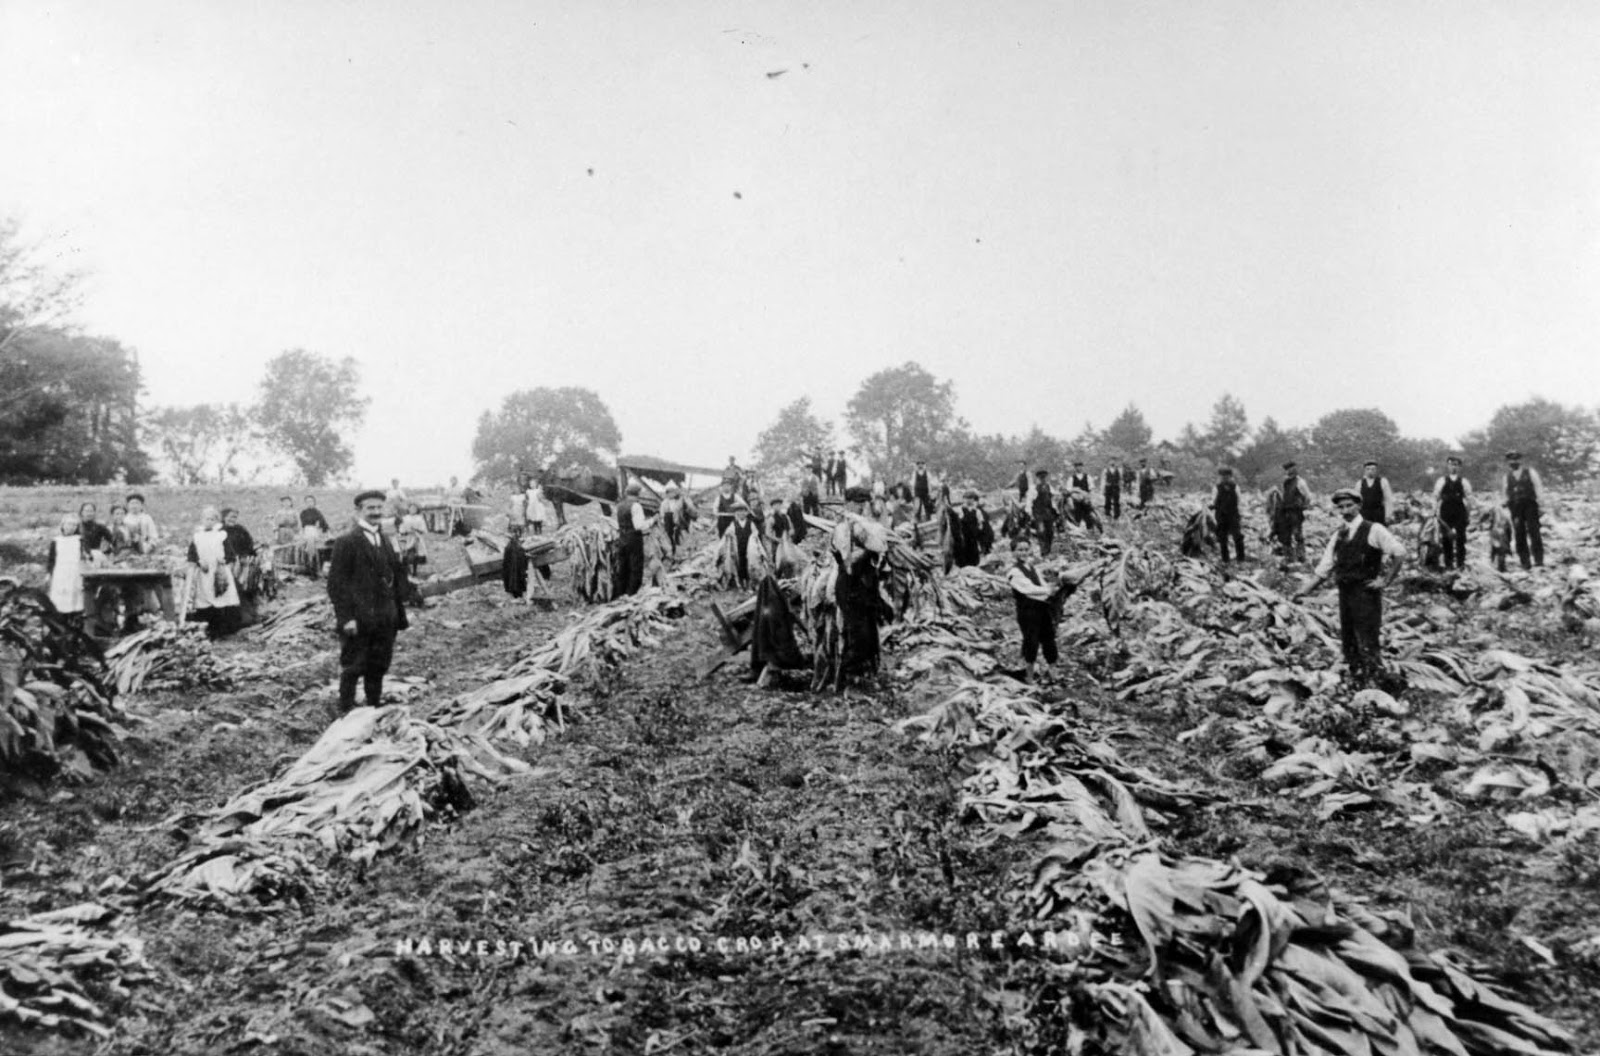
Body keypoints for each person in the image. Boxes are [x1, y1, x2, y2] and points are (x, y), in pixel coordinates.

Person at [1292, 489, 1406, 688]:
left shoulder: (1374, 529)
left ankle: (1375, 681)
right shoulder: (1339, 534)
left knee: (1367, 637)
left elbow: (1399, 553)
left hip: (1366, 593)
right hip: (1345, 593)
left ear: (1359, 506)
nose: (1345, 510)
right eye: (1341, 507)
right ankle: (1357, 679)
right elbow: (1324, 568)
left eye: (1349, 505)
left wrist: (1384, 581)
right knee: (1349, 638)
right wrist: (1304, 591)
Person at [326, 490, 410, 716]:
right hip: (359, 618)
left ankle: (373, 704)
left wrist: (399, 614)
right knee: (354, 665)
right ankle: (345, 708)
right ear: (359, 511)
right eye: (370, 508)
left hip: (385, 617)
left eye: (378, 508)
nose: (375, 512)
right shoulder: (347, 541)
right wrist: (346, 618)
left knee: (379, 663)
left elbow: (394, 577)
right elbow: (336, 584)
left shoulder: (384, 539)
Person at [1007, 535, 1063, 683]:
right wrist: (1047, 591)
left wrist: (1052, 587)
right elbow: (1027, 588)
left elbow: (1042, 583)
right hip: (1028, 612)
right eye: (1020, 550)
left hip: (1041, 609)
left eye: (1026, 549)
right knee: (1031, 641)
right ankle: (1029, 677)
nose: (1023, 552)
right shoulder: (1014, 572)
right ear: (1013, 552)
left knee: (1049, 639)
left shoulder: (1032, 568)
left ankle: (1053, 673)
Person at [186, 506, 242, 638]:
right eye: (207, 518)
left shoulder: (221, 535)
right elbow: (191, 554)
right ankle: (207, 628)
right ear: (202, 520)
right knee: (205, 597)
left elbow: (230, 555)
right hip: (204, 572)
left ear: (217, 521)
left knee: (222, 596)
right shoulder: (197, 536)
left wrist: (224, 561)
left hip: (219, 571)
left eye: (212, 519)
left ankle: (224, 629)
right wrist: (199, 562)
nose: (209, 521)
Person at [1502, 451, 1544, 570]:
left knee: (1534, 532)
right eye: (1511, 460)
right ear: (1508, 462)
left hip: (1530, 505)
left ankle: (1539, 560)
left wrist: (1541, 505)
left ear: (1520, 461)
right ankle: (1525, 562)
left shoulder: (1530, 473)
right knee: (1519, 533)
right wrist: (1504, 503)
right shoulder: (1506, 477)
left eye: (1516, 459)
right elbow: (1505, 493)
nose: (1514, 462)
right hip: (1515, 507)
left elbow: (1538, 488)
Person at [221, 507, 262, 627]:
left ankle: (249, 617)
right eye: (230, 516)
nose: (232, 519)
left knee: (244, 589)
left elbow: (249, 544)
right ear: (223, 517)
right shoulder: (219, 531)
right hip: (225, 564)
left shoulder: (240, 529)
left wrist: (251, 555)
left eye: (234, 517)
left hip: (242, 562)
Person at [1432, 456, 1473, 571]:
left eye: (1456, 465)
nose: (1453, 467)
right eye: (1451, 464)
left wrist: (1468, 514)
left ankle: (1460, 565)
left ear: (1459, 467)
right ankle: (1448, 565)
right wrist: (1435, 511)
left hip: (1459, 512)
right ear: (1447, 466)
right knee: (1446, 540)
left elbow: (1469, 499)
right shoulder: (1441, 481)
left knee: (1460, 540)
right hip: (1446, 512)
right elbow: (1435, 496)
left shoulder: (1464, 481)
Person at [612, 481, 653, 597]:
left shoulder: (620, 505)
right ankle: (632, 595)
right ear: (638, 493)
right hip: (634, 540)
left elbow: (617, 523)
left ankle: (619, 594)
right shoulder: (636, 506)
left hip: (622, 538)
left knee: (623, 567)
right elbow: (639, 526)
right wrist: (652, 521)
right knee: (635, 567)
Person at [46, 514, 88, 622]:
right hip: (60, 571)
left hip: (75, 571)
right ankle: (61, 620)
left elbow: (85, 556)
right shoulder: (56, 541)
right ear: (63, 525)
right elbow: (51, 559)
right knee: (60, 596)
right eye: (69, 524)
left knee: (75, 595)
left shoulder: (79, 540)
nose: (71, 527)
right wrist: (49, 573)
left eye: (74, 525)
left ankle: (74, 618)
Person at [1271, 462, 1312, 564]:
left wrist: (1303, 507)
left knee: (1298, 534)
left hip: (1295, 512)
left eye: (1291, 468)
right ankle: (1289, 557)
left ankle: (1301, 557)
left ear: (1295, 469)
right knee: (1285, 535)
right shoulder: (1286, 482)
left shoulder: (1300, 482)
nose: (1289, 471)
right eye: (1287, 469)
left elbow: (1307, 497)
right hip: (1286, 511)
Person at [946, 490, 991, 571]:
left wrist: (978, 531)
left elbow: (981, 524)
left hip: (973, 538)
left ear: (973, 500)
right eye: (967, 498)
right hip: (963, 537)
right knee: (962, 555)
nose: (969, 500)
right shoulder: (959, 510)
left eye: (971, 498)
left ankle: (972, 568)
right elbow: (952, 518)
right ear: (963, 499)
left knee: (973, 556)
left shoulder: (977, 511)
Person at [1210, 467, 1246, 564]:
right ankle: (1226, 559)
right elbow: (1214, 501)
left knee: (1237, 536)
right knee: (1223, 538)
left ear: (1230, 477)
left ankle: (1240, 558)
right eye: (1223, 476)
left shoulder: (1235, 487)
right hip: (1222, 516)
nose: (1224, 478)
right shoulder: (1217, 488)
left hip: (1232, 515)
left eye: (1226, 476)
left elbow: (1239, 501)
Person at [300, 495, 332, 578]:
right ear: (305, 503)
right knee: (308, 540)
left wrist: (325, 531)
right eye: (307, 502)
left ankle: (312, 567)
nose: (309, 503)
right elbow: (302, 525)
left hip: (315, 531)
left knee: (311, 541)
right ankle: (309, 566)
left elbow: (323, 524)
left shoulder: (317, 512)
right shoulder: (303, 513)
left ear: (314, 502)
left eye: (311, 501)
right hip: (306, 531)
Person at [1357, 461, 1394, 526]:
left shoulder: (1383, 481)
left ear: (1376, 470)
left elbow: (1388, 500)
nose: (1370, 471)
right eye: (1368, 469)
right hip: (1364, 514)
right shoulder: (1359, 483)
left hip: (1379, 514)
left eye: (1373, 469)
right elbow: (1357, 501)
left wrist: (1388, 516)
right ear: (1364, 470)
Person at [1030, 469, 1056, 556]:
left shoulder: (1049, 487)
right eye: (1041, 477)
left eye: (1044, 477)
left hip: (1048, 513)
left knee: (1050, 531)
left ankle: (1049, 550)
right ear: (1038, 478)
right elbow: (1029, 502)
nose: (1043, 479)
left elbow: (1054, 498)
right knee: (1041, 531)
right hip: (1038, 513)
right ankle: (1044, 552)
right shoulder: (1033, 489)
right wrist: (1030, 514)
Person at [660, 483, 687, 557]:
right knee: (669, 537)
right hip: (668, 521)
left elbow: (680, 510)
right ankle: (671, 551)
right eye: (671, 493)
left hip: (676, 521)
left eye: (674, 493)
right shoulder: (664, 503)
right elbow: (662, 514)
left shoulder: (677, 502)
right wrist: (664, 522)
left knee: (677, 536)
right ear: (667, 494)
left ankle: (678, 552)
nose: (673, 494)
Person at [1065, 462, 1095, 527]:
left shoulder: (1087, 477)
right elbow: (1069, 489)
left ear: (1082, 467)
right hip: (1076, 499)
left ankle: (1090, 528)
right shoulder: (1072, 478)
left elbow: (1091, 487)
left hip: (1086, 498)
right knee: (1077, 512)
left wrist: (1089, 496)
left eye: (1080, 466)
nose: (1079, 468)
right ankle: (1077, 527)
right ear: (1075, 468)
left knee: (1089, 512)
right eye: (1077, 467)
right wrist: (1075, 490)